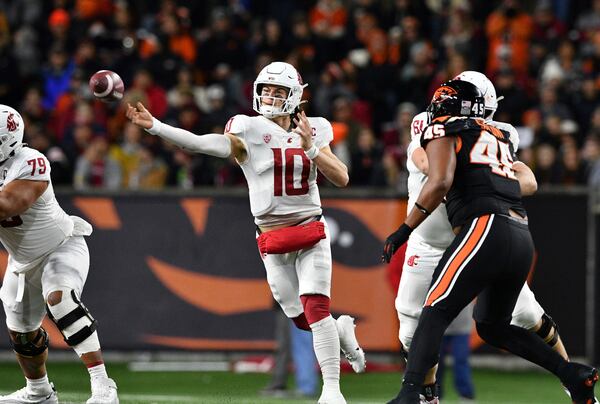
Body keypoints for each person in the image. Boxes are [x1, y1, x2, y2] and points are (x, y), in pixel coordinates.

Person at [126, 61, 365, 404]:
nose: (269, 96)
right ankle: (341, 333)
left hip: (309, 229)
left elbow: (341, 177)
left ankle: (331, 392)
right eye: (265, 89)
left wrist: (311, 146)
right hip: (271, 238)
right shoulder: (247, 128)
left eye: (277, 91)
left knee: (315, 305)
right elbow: (202, 144)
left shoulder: (316, 128)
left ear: (294, 96)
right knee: (301, 319)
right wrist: (157, 127)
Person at [382, 80, 598, 404]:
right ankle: (573, 375)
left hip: (481, 229)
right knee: (491, 326)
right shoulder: (497, 135)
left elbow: (440, 179)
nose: (438, 107)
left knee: (435, 310)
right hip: (517, 231)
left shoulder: (444, 128)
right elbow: (518, 177)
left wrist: (403, 229)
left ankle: (410, 394)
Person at [0, 105, 118, 404]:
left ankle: (103, 386)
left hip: (61, 246)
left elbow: (9, 204)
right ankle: (38, 392)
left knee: (60, 298)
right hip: (22, 262)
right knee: (23, 335)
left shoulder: (31, 161)